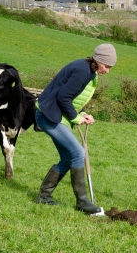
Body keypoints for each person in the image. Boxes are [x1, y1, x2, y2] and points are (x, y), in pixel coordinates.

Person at [35, 43, 117, 214]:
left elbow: (72, 97)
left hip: (54, 114)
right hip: (49, 116)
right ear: (99, 60)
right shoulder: (83, 71)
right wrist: (75, 118)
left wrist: (83, 113)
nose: (108, 71)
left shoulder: (87, 69)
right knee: (78, 153)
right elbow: (63, 97)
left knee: (67, 158)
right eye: (107, 66)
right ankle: (82, 203)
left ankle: (44, 196)